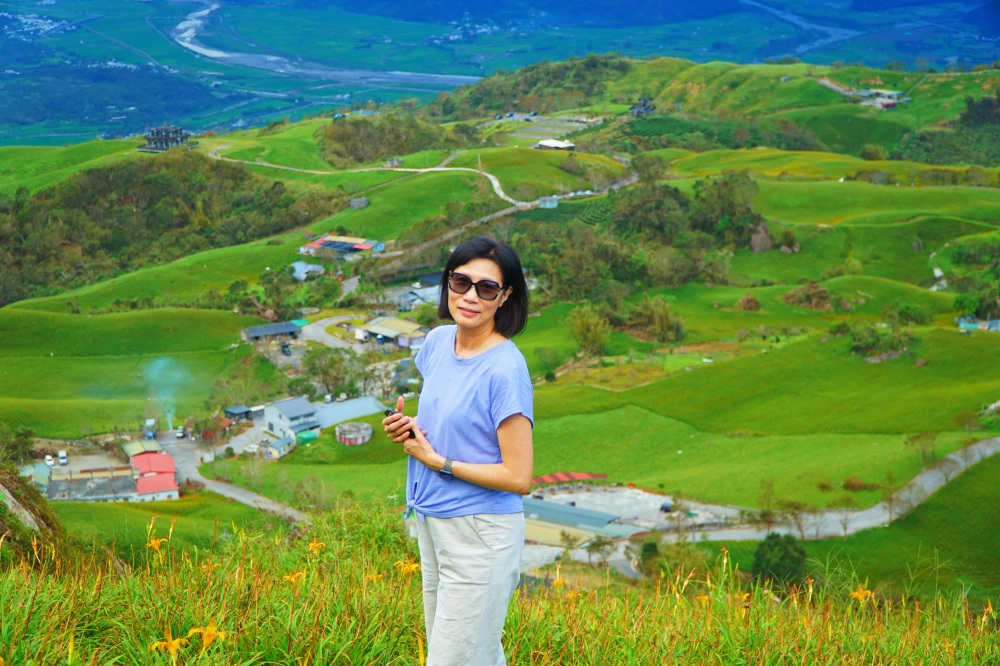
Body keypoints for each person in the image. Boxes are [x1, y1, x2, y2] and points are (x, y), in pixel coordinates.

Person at [383, 236, 534, 666]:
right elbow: (451, 425)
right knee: (472, 655)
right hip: (433, 522)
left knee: (453, 659)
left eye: (486, 288)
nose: (470, 296)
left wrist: (438, 462)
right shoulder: (437, 342)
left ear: (505, 297)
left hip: (480, 533)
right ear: (447, 282)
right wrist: (409, 431)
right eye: (460, 281)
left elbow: (519, 477)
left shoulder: (506, 369)